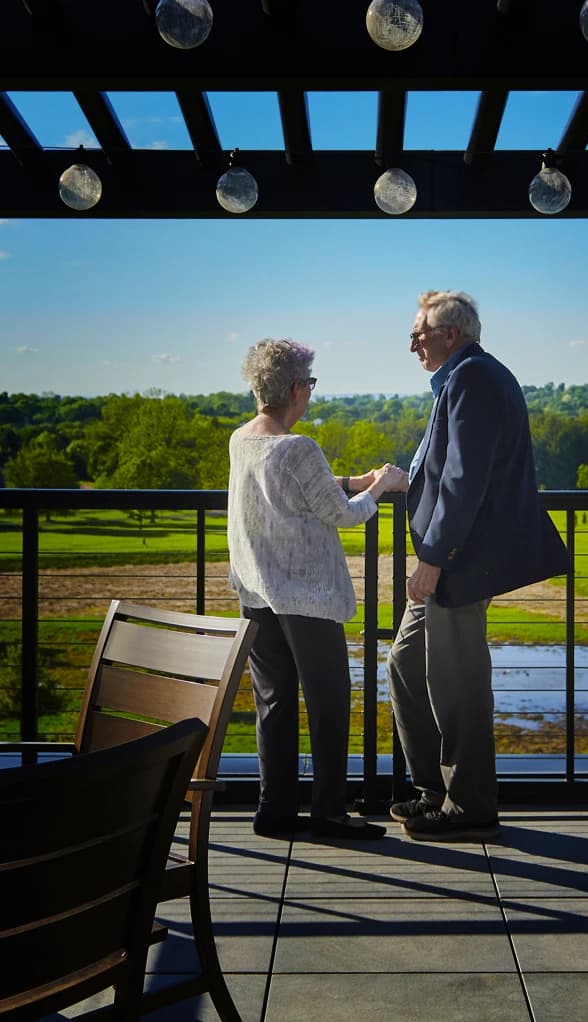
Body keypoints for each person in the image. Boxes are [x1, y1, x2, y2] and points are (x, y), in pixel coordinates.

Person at [387, 291, 569, 842]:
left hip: (460, 562)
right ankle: (433, 791)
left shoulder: (474, 378)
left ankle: (469, 806)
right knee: (405, 664)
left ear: (451, 334)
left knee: (457, 683)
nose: (411, 344)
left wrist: (433, 559)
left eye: (419, 333)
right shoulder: (463, 378)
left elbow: (464, 481)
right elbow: (446, 471)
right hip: (451, 559)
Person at [228, 338, 406, 840]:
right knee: (328, 703)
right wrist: (382, 484)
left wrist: (354, 478)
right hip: (304, 595)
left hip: (256, 592)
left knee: (275, 702)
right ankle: (329, 813)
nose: (311, 391)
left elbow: (303, 486)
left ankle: (274, 809)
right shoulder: (299, 447)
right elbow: (342, 515)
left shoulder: (242, 439)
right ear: (294, 389)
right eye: (309, 382)